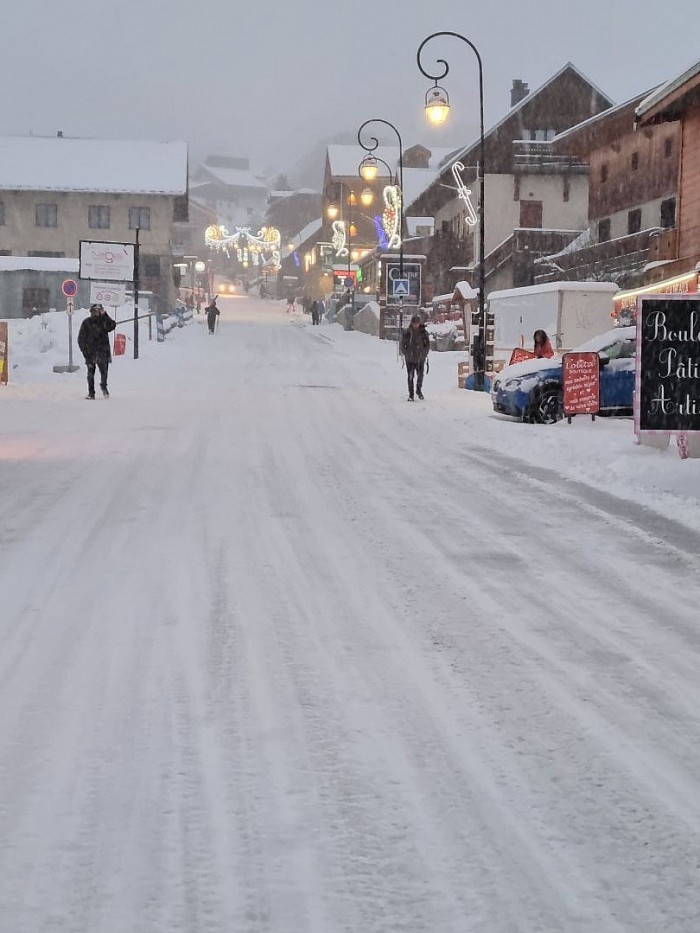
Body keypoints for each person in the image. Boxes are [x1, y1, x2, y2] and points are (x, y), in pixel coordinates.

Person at [77, 303, 117, 399]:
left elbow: (112, 326)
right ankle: (91, 393)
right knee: (90, 373)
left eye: (99, 310)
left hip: (103, 351)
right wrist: (84, 351)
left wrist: (105, 315)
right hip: (90, 352)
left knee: (104, 371)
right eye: (95, 310)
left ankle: (104, 386)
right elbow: (81, 338)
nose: (97, 312)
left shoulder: (104, 321)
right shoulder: (86, 322)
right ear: (91, 311)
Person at [401, 314, 430, 401]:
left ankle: (419, 390)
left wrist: (424, 354)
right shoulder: (407, 333)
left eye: (417, 323)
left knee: (420, 375)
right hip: (410, 359)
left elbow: (427, 345)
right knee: (410, 376)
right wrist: (406, 353)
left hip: (420, 358)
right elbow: (403, 345)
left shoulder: (424, 332)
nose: (415, 325)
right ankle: (411, 394)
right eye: (414, 323)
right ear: (412, 323)